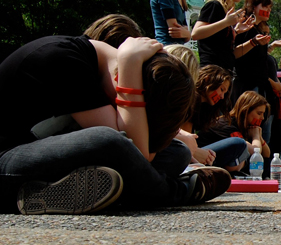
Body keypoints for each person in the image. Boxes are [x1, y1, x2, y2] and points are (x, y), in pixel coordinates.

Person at [0, 31, 229, 214]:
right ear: (122, 79)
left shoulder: (95, 66)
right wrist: (129, 65)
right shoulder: (64, 61)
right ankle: (173, 192)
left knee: (176, 152)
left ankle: (50, 194)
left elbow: (141, 151)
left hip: (44, 168)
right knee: (108, 140)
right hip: (6, 161)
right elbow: (133, 149)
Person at [233, 0, 281, 142]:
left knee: (263, 132)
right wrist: (273, 83)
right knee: (254, 129)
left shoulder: (256, 31)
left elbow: (258, 58)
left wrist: (271, 46)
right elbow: (247, 63)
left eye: (270, 8)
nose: (268, 11)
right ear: (253, 7)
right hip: (251, 86)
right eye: (265, 6)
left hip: (260, 87)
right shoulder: (246, 30)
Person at [177, 65, 249, 172]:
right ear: (207, 80)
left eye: (225, 93)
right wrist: (198, 153)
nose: (222, 97)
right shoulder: (190, 100)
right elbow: (185, 141)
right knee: (238, 143)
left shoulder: (203, 109)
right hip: (183, 150)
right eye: (221, 89)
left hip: (190, 151)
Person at [191, 0, 256, 72]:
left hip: (223, 71)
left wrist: (235, 31)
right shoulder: (214, 5)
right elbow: (196, 33)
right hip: (212, 71)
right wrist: (225, 22)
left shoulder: (224, 11)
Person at [198, 91, 269, 177]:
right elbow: (255, 151)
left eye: (263, 114)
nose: (262, 118)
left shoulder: (245, 126)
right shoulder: (228, 124)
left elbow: (267, 154)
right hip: (202, 160)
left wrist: (259, 136)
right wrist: (256, 136)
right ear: (246, 111)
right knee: (241, 146)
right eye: (259, 113)